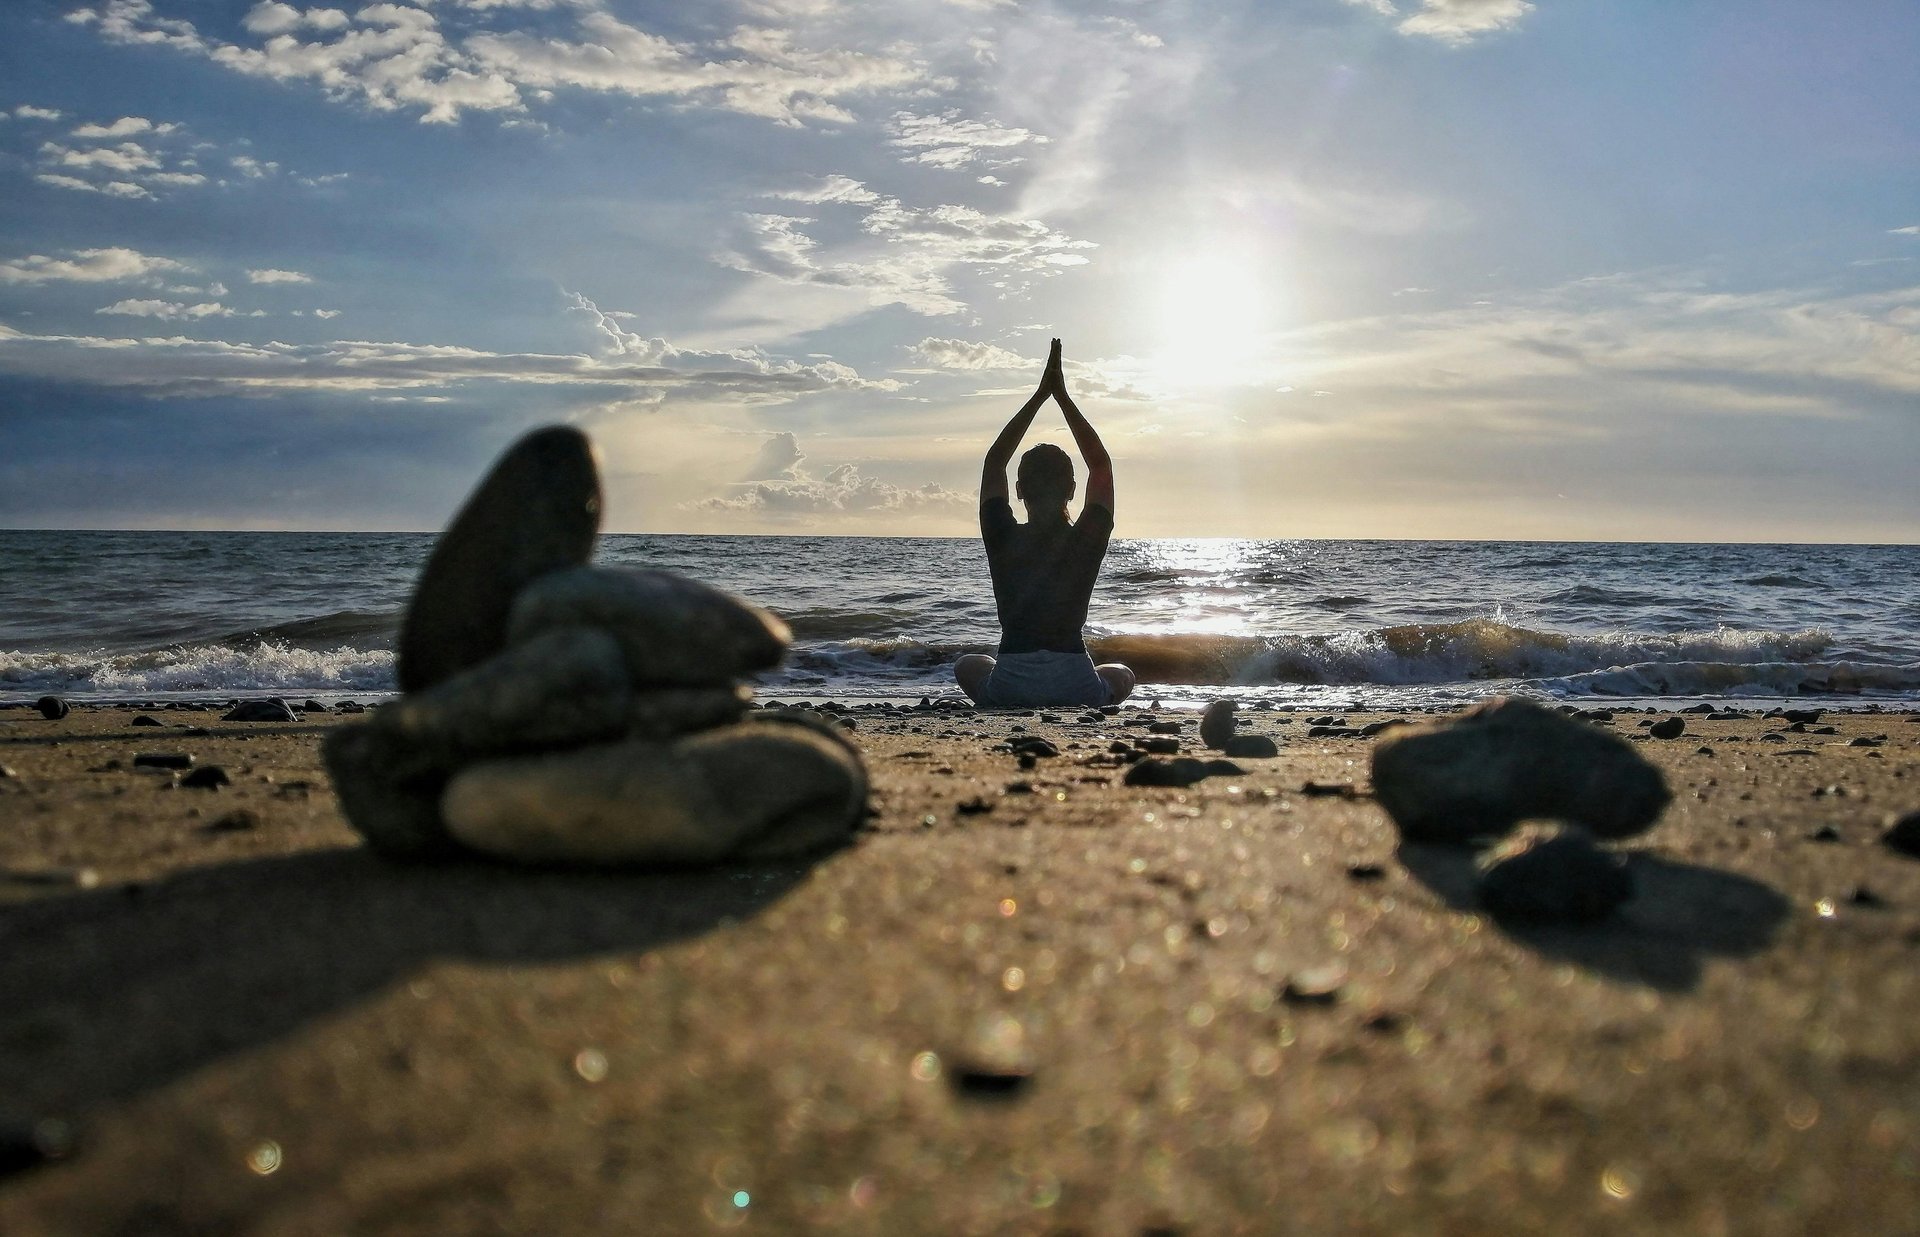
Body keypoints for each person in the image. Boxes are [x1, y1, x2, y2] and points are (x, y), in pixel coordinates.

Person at [955, 339, 1136, 708]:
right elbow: (1100, 466)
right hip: (1076, 687)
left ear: (1019, 491)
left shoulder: (1002, 534)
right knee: (1121, 673)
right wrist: (1062, 397)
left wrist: (1040, 397)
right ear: (1072, 490)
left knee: (968, 665)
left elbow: (994, 463)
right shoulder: (1086, 539)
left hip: (1010, 687)